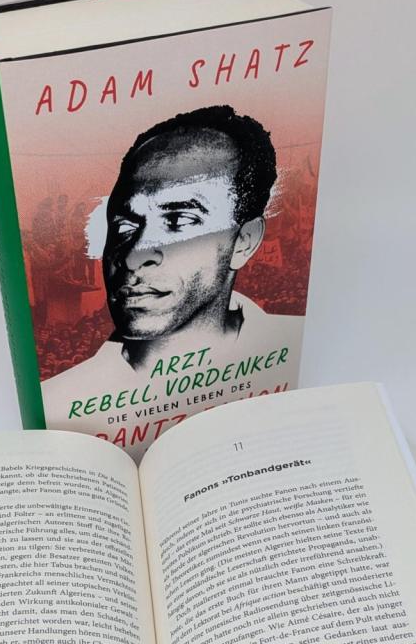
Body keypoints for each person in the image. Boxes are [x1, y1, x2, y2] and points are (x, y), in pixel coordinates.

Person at [41, 104, 301, 449]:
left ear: (244, 241)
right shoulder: (56, 406)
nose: (133, 255)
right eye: (124, 227)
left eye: (178, 221)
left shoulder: (297, 347)